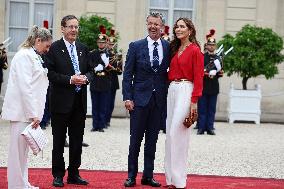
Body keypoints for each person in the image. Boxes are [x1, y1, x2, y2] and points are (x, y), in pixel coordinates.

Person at [122, 12, 170, 187]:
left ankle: (148, 176)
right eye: (150, 23)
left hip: (158, 101)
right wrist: (127, 97)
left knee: (152, 141)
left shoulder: (167, 47)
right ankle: (131, 176)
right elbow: (127, 75)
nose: (153, 27)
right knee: (135, 140)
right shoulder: (135, 46)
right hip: (139, 101)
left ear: (162, 27)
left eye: (156, 24)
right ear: (147, 25)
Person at [1, 25, 52, 189]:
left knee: (23, 153)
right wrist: (33, 114)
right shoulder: (24, 56)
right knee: (17, 153)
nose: (48, 49)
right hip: (21, 112)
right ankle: (16, 186)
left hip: (27, 112)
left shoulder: (33, 55)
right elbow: (25, 87)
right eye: (47, 45)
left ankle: (22, 183)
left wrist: (35, 112)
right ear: (38, 41)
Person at [46, 15, 93, 187]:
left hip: (79, 103)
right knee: (59, 141)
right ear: (63, 28)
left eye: (76, 27)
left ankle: (74, 173)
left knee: (76, 141)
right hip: (60, 103)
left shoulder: (83, 48)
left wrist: (85, 79)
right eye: (70, 27)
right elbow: (50, 74)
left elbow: (90, 71)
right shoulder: (54, 49)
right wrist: (70, 80)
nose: (74, 30)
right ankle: (58, 174)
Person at [165, 17, 204, 189]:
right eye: (177, 27)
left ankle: (180, 181)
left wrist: (194, 101)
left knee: (177, 133)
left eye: (182, 26)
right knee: (169, 135)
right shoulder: (174, 48)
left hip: (186, 90)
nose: (178, 29)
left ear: (190, 30)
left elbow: (199, 78)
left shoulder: (195, 50)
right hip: (172, 89)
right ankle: (170, 179)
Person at [197, 29, 222, 135]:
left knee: (211, 109)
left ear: (215, 46)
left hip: (214, 87)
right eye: (209, 45)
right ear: (206, 46)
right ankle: (201, 128)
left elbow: (220, 73)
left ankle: (210, 127)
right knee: (202, 109)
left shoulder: (218, 58)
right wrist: (207, 73)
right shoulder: (202, 57)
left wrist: (216, 73)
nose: (211, 46)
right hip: (203, 86)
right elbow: (198, 72)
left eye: (213, 45)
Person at [89, 25, 112, 132]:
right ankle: (95, 125)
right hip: (95, 81)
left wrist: (107, 65)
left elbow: (115, 69)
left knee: (103, 105)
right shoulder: (93, 53)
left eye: (102, 42)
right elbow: (89, 65)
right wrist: (98, 67)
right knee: (95, 105)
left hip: (105, 81)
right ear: (97, 43)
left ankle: (101, 125)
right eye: (99, 42)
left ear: (105, 43)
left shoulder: (110, 54)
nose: (101, 44)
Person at [105, 29, 123, 127]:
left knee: (110, 102)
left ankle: (107, 120)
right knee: (104, 101)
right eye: (109, 44)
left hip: (113, 80)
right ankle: (102, 119)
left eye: (112, 44)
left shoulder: (118, 55)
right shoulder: (104, 54)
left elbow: (120, 71)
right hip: (104, 79)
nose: (110, 46)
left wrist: (114, 68)